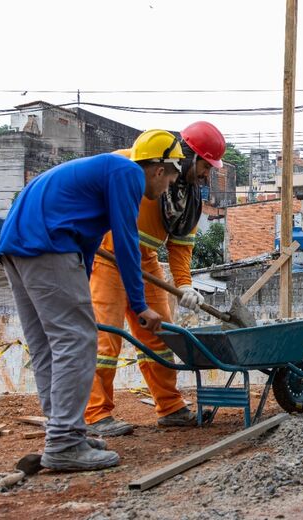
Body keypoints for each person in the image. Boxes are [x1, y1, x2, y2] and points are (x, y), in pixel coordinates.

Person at [0, 129, 182, 471]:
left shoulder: (104, 172)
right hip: (48, 243)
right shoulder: (128, 174)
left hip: (16, 245)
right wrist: (140, 305)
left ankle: (65, 434)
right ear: (159, 170)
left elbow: (91, 241)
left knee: (48, 346)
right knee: (77, 341)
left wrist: (79, 290)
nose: (167, 188)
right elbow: (125, 242)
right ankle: (65, 443)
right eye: (170, 180)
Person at [85, 122, 226, 436]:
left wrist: (184, 284)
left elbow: (180, 247)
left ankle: (171, 406)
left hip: (146, 262)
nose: (207, 174)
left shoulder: (189, 200)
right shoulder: (133, 162)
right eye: (205, 165)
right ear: (189, 157)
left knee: (160, 336)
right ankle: (96, 415)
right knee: (105, 339)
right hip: (108, 255)